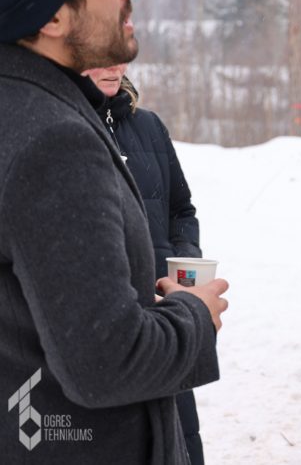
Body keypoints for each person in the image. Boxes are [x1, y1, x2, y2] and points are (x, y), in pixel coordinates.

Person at [0, 0, 228, 464]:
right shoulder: (52, 140)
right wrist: (195, 315)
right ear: (52, 15)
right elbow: (106, 362)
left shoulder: (20, 109)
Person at [83, 64, 206, 465]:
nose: (113, 66)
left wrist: (183, 270)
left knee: (179, 439)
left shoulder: (149, 126)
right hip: (104, 328)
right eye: (100, 55)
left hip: (166, 319)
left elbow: (181, 210)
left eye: (118, 55)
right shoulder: (62, 127)